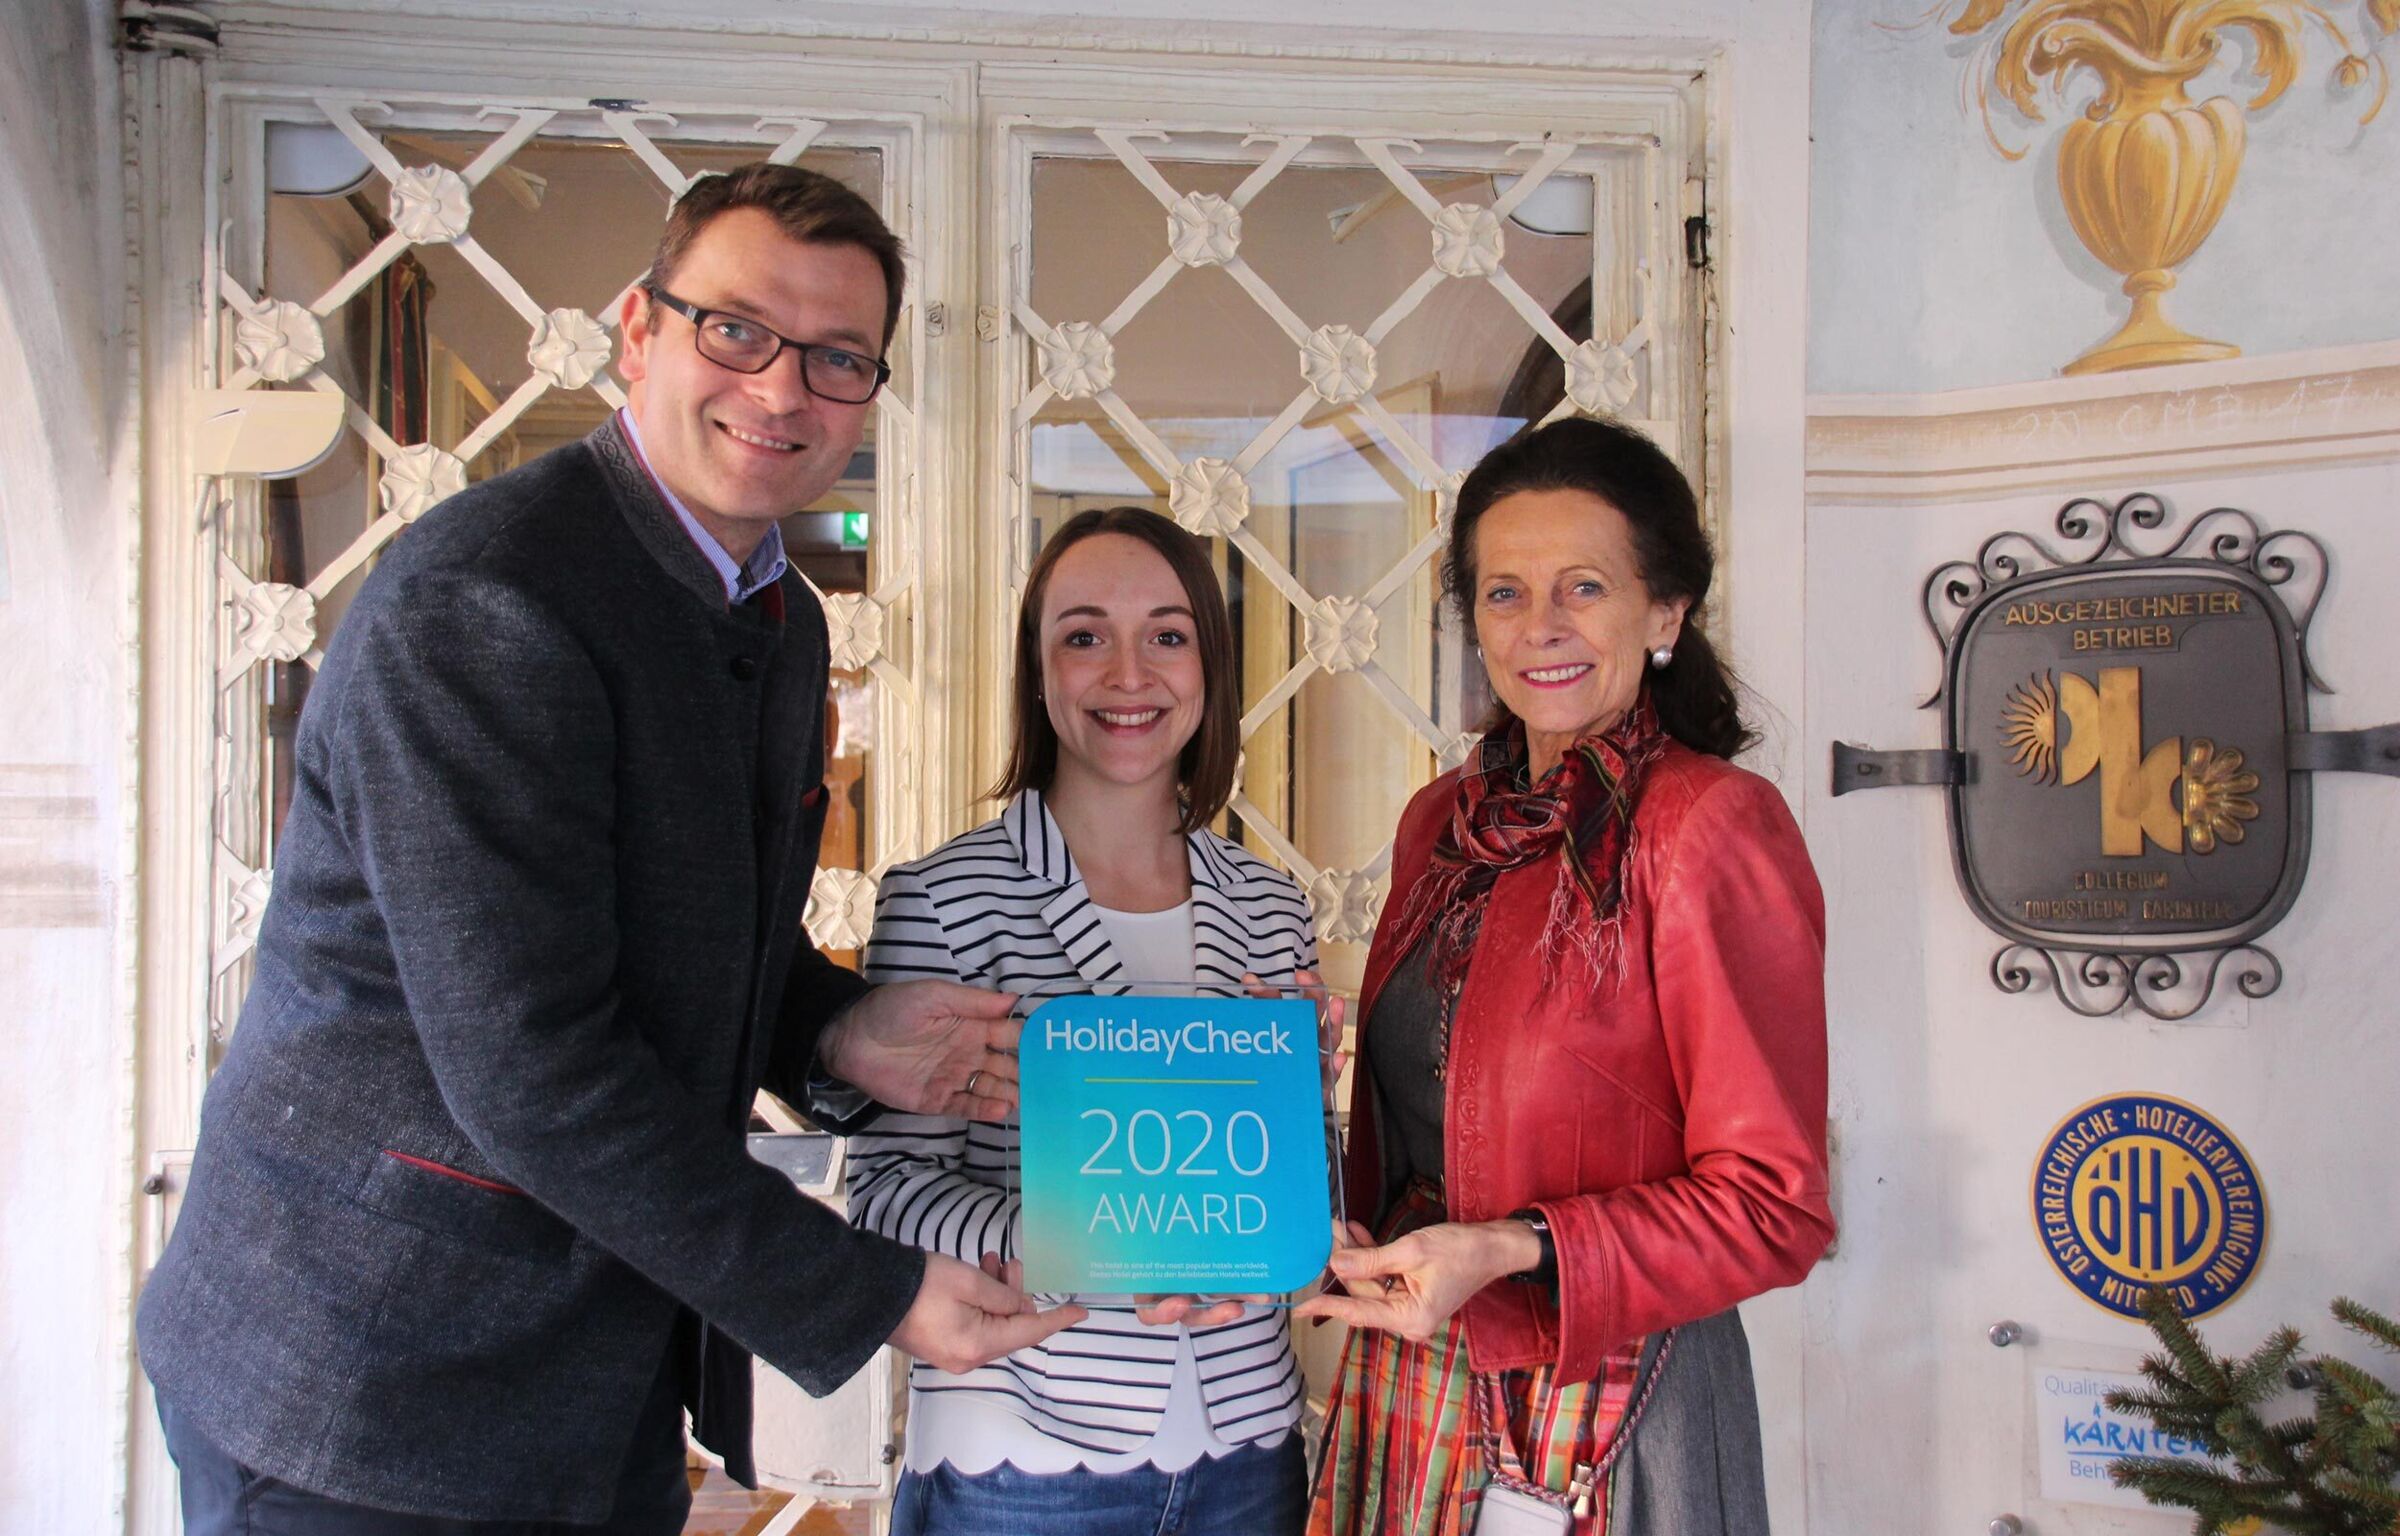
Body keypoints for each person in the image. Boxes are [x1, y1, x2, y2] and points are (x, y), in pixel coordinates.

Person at [137, 164, 1082, 1535]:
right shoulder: (487, 602)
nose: (779, 390)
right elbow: (531, 1065)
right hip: (376, 1382)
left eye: (836, 359)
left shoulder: (778, 613)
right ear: (640, 330)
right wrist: (865, 1292)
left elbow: (695, 941)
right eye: (736, 330)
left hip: (592, 1374)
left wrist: (832, 1031)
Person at [1296, 417, 1834, 1535]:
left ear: (1666, 611)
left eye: (1583, 587)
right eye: (1503, 593)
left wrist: (1510, 1248)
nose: (1540, 627)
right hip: (1419, 1373)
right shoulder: (1440, 824)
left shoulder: (1708, 829)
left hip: (1606, 1394)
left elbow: (1774, 1209)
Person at [846, 507, 1334, 1536]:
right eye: (1083, 636)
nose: (1128, 673)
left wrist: (1307, 1151)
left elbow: (1300, 1178)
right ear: (1037, 670)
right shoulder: (944, 899)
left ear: (1209, 667)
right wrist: (1061, 1241)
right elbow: (884, 1194)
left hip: (1246, 1449)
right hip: (1020, 1452)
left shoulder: (1271, 906)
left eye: (1167, 634)